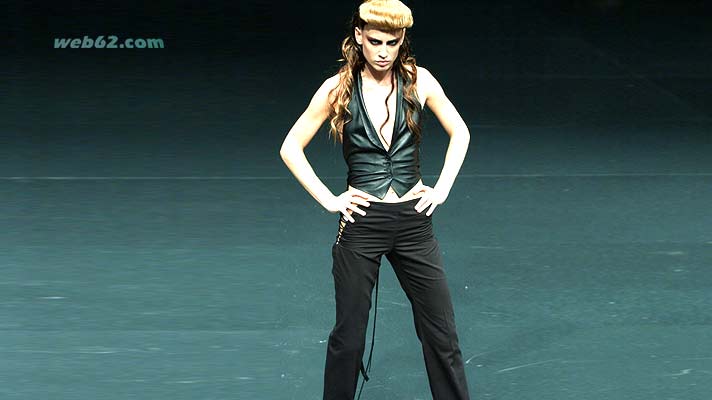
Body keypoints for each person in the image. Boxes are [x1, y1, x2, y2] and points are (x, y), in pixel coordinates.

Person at [279, 1, 471, 399]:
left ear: (402, 41)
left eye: (393, 42)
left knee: (441, 333)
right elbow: (290, 146)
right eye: (375, 41)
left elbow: (461, 131)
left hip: (414, 222)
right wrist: (329, 199)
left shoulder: (419, 80)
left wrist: (441, 189)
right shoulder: (337, 87)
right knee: (348, 338)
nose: (384, 52)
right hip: (362, 222)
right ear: (359, 38)